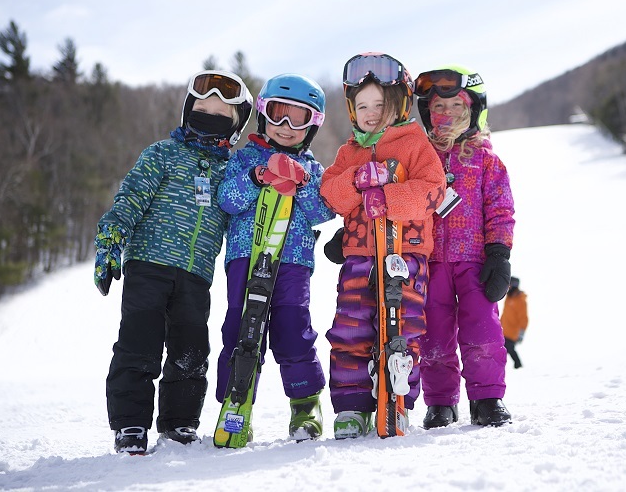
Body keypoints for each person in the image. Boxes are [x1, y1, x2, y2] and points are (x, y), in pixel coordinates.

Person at [94, 70, 253, 454]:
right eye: (202, 110)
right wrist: (110, 242)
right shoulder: (162, 154)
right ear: (186, 111)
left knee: (191, 348)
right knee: (139, 342)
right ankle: (131, 424)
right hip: (148, 263)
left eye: (220, 115)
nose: (209, 117)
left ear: (233, 128)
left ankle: (179, 422)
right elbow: (130, 198)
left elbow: (241, 218)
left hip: (197, 274)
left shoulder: (230, 173)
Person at [321, 52, 446, 439]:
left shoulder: (415, 145)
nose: (371, 113)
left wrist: (389, 197)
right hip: (359, 257)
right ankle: (351, 406)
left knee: (403, 329)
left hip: (405, 256)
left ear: (400, 104)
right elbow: (331, 195)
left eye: (380, 104)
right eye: (362, 105)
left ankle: (400, 399)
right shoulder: (348, 152)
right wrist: (356, 180)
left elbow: (432, 192)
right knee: (350, 330)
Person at [215, 73, 334, 441]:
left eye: (297, 118)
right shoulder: (245, 159)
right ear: (264, 114)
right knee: (241, 327)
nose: (286, 126)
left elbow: (323, 212)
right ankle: (235, 403)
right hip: (245, 256)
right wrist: (257, 177)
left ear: (311, 126)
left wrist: (301, 186)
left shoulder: (313, 169)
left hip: (293, 262)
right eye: (279, 114)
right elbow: (227, 200)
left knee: (292, 328)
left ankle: (305, 405)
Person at [414, 65, 516, 429]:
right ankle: (440, 402)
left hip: (475, 262)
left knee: (483, 331)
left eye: (456, 107)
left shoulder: (486, 160)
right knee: (434, 334)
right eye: (438, 108)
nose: (447, 115)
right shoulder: (421, 159)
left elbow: (501, 209)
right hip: (431, 263)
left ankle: (487, 398)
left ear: (474, 111)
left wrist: (499, 254)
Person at [501, 277, 528, 369]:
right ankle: (517, 365)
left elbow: (524, 318)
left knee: (507, 348)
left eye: (510, 285)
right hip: (504, 329)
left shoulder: (520, 300)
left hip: (513, 331)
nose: (508, 287)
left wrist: (521, 333)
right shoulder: (509, 298)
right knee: (505, 348)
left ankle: (518, 365)